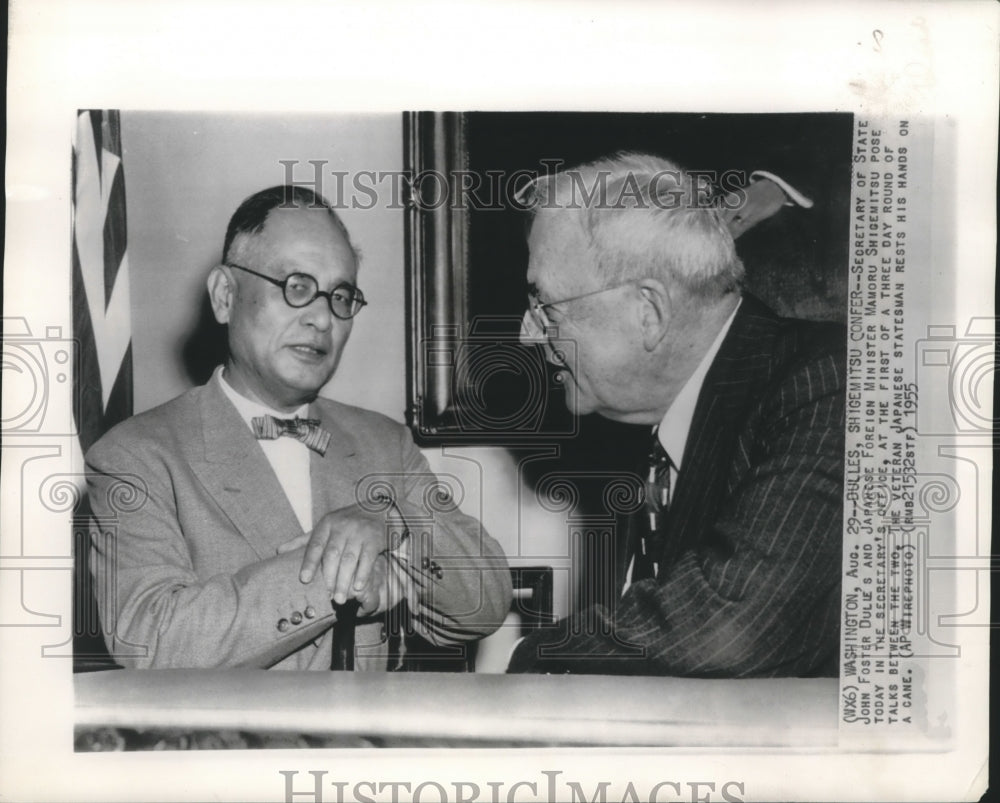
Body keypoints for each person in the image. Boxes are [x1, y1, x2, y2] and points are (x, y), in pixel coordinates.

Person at [86, 185, 512, 670]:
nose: (321, 318)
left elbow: (487, 601)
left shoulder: (385, 443)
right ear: (225, 297)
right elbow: (154, 642)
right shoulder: (134, 456)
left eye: (341, 296)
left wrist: (397, 527)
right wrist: (350, 575)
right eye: (296, 286)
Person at [508, 152, 845, 677]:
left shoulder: (828, 386)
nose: (526, 333)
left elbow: (725, 630)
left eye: (545, 305)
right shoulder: (658, 434)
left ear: (650, 313)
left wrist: (533, 658)